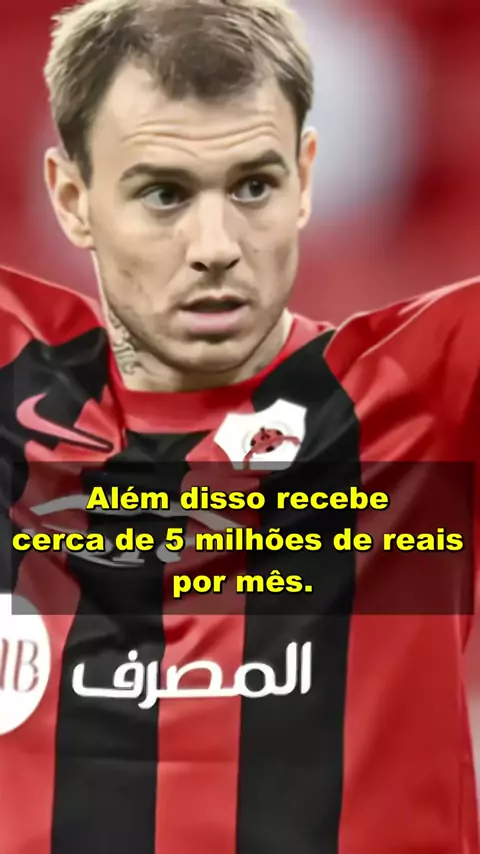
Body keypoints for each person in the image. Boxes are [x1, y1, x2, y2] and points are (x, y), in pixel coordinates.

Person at [0, 0, 479, 852]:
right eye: (164, 194)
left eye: (253, 186)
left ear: (305, 179)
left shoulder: (432, 390)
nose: (215, 245)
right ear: (73, 198)